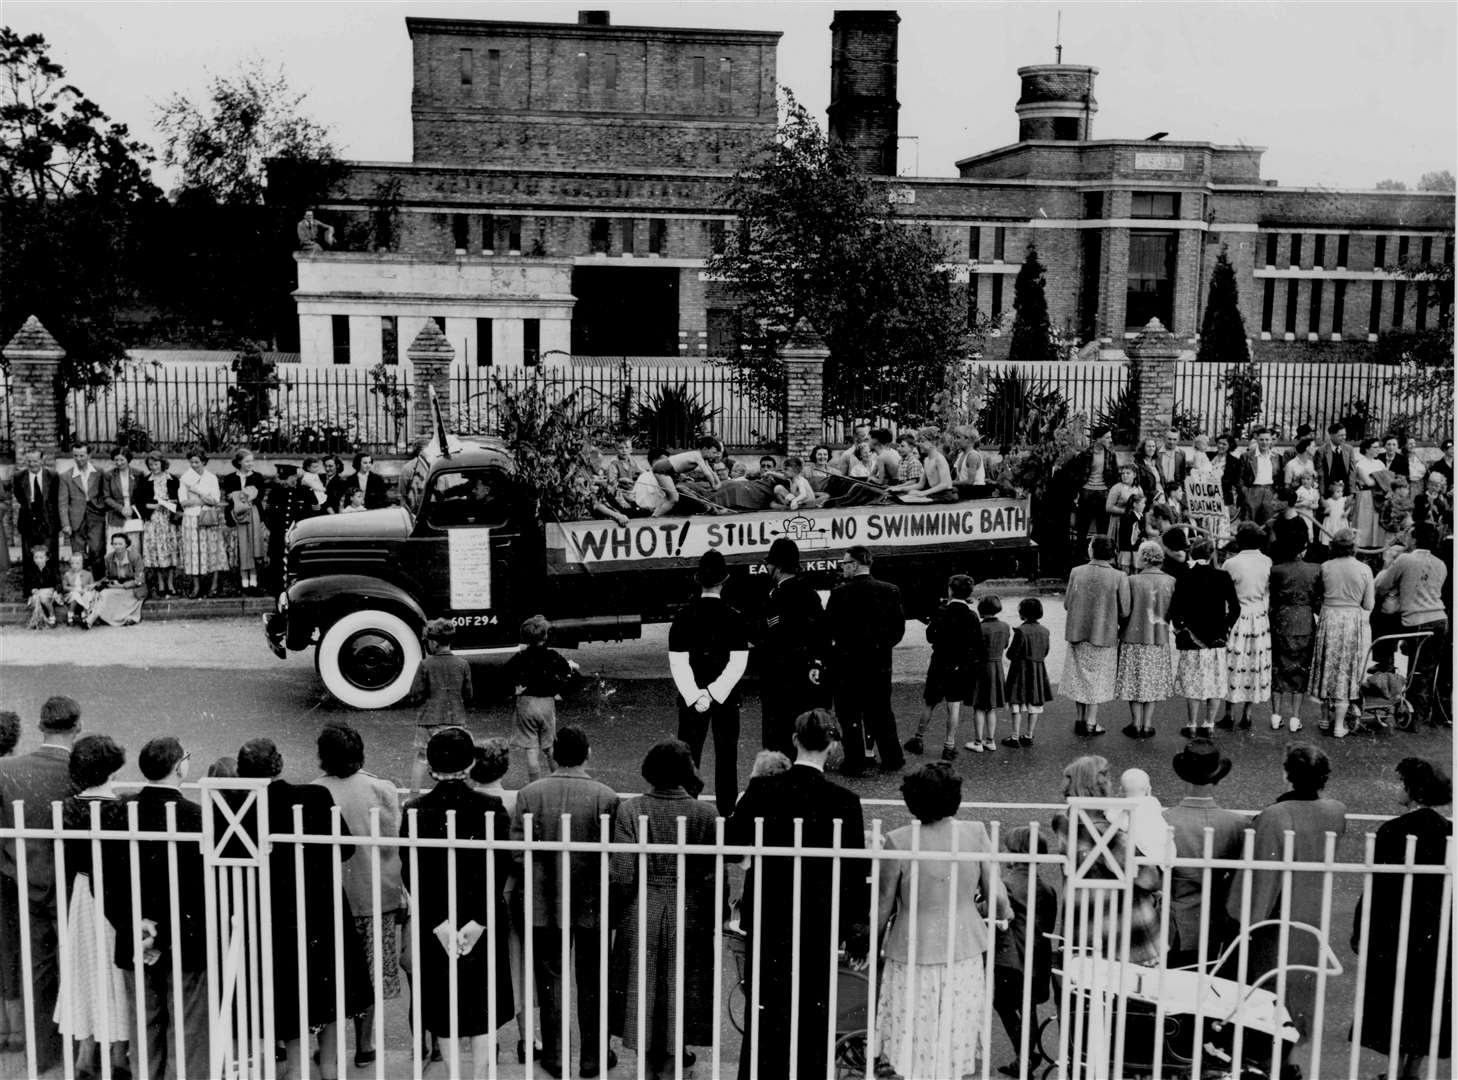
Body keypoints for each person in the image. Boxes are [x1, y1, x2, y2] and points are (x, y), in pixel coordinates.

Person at [727, 709, 868, 1080]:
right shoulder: (845, 801)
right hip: (819, 921)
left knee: (766, 1010)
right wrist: (857, 926)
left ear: (795, 740)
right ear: (833, 745)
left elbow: (732, 844)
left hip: (769, 916)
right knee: (813, 1012)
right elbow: (855, 873)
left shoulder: (763, 790)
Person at [238, 737, 369, 1080]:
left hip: (274, 914)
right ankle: (328, 1066)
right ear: (279, 764)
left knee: (289, 992)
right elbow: (344, 849)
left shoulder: (240, 808)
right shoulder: (314, 796)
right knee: (329, 991)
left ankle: (296, 1069)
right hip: (320, 907)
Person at [873, 762, 1007, 1080]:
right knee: (954, 1031)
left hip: (912, 947)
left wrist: (870, 945)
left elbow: (883, 903)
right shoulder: (975, 833)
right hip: (963, 944)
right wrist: (1002, 915)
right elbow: (997, 898)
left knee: (913, 1034)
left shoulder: (898, 840)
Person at [402, 727, 515, 1079]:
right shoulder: (490, 808)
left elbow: (412, 872)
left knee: (444, 1003)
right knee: (481, 1005)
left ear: (432, 767)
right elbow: (500, 867)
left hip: (438, 923)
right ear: (469, 765)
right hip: (480, 920)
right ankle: (480, 1075)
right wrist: (478, 922)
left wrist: (440, 924)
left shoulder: (414, 810)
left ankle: (453, 1073)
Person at [1228, 743, 1346, 1078]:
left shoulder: (1274, 816)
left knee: (1265, 987)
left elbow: (1260, 873)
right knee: (1301, 987)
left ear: (1287, 774)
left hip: (1276, 913)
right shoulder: (1336, 810)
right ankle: (1288, 1056)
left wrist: (1243, 917)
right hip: (1312, 910)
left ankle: (1265, 1061)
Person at [510, 726, 620, 1080]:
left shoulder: (529, 793)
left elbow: (516, 853)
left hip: (544, 902)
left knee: (550, 981)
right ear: (588, 754)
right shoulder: (606, 796)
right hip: (592, 903)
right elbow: (615, 858)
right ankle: (593, 1056)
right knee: (593, 981)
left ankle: (556, 1056)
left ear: (553, 754)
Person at [101, 736, 211, 1080]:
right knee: (189, 1030)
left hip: (134, 939)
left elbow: (104, 884)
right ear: (180, 766)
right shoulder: (197, 816)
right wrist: (163, 934)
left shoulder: (119, 811)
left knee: (143, 1026)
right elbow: (201, 892)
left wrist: (136, 926)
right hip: (186, 942)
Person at [608, 740, 718, 1077]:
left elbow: (623, 874)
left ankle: (646, 1060)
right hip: (689, 905)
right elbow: (713, 875)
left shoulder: (631, 809)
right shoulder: (705, 813)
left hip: (642, 903)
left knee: (643, 985)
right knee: (681, 985)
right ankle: (674, 1058)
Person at [1350, 758, 1453, 1079]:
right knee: (1425, 1004)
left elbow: (1378, 889)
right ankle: (1414, 1071)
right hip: (1436, 932)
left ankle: (1395, 1072)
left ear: (1413, 790)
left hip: (1397, 931)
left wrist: (1361, 931)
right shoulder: (1448, 831)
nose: (1396, 788)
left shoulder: (1393, 831)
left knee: (1397, 1003)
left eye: (1400, 783)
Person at [312, 722, 404, 1071]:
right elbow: (393, 843)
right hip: (375, 892)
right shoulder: (381, 789)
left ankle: (330, 1048)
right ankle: (365, 1045)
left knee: (329, 974)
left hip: (331, 898)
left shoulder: (313, 791)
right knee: (370, 975)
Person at [54, 734, 131, 1080]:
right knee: (114, 972)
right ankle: (119, 1054)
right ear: (112, 770)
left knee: (84, 968)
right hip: (116, 894)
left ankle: (85, 1053)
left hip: (83, 892)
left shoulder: (68, 807)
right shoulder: (121, 808)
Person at [1054, 756, 1162, 966]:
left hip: (1084, 925)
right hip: (1125, 935)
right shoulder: (1108, 834)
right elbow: (1149, 877)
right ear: (1098, 787)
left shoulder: (1063, 820)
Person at [668, 550, 750, 815]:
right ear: (723, 581)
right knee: (727, 756)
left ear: (697, 580)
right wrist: (715, 693)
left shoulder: (682, 616)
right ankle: (726, 810)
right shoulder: (735, 616)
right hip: (725, 698)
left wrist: (696, 696)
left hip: (692, 697)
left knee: (688, 756)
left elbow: (678, 662)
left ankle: (687, 808)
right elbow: (738, 663)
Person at [1163, 739, 1244, 969]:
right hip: (1219, 922)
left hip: (1175, 924)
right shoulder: (1237, 824)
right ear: (1217, 779)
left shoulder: (1166, 820)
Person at [826, 545, 907, 775]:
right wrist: (881, 647)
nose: (842, 568)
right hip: (879, 663)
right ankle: (892, 758)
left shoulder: (839, 593)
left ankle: (855, 761)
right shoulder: (890, 590)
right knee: (882, 712)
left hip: (848, 664)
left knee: (849, 714)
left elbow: (830, 629)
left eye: (844, 563)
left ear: (854, 564)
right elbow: (898, 629)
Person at [993, 823, 1059, 1079]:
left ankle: (1024, 1055)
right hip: (1036, 957)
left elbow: (996, 914)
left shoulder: (1006, 884)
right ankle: (1025, 1056)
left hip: (1011, 956)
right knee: (1027, 1006)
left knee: (1002, 1003)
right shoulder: (1048, 889)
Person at [757, 538, 830, 760]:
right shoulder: (810, 593)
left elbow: (770, 636)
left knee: (776, 737)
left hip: (779, 675)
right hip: (804, 674)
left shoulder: (776, 596)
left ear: (777, 567)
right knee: (801, 732)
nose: (767, 568)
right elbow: (822, 634)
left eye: (769, 564)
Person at [1168, 537, 1241, 737]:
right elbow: (1235, 608)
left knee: (1193, 682)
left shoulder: (1184, 575)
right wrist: (1226, 626)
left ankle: (1191, 724)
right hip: (1216, 637)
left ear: (1192, 554)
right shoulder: (1223, 576)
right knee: (1215, 682)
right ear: (1210, 555)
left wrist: (1179, 628)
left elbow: (1175, 608)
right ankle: (1208, 724)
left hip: (1192, 637)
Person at [1378, 523, 1450, 725]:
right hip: (1439, 618)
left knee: (1416, 669)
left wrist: (1386, 566)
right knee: (1427, 669)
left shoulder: (1405, 559)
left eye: (1410, 535)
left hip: (1415, 619)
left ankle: (1412, 718)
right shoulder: (1440, 563)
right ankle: (1421, 714)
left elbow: (1383, 586)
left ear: (1415, 539)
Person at [1062, 536, 1130, 737]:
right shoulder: (1119, 576)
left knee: (1080, 676)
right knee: (1097, 679)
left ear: (1092, 550)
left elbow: (1067, 604)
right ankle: (1092, 722)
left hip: (1078, 632)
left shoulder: (1077, 572)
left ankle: (1080, 719)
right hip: (1104, 633)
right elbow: (1125, 610)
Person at [906, 573, 977, 761]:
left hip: (939, 662)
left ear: (950, 591)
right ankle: (949, 745)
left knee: (930, 702)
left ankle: (918, 738)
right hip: (959, 666)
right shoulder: (971, 616)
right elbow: (975, 643)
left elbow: (930, 636)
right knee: (953, 707)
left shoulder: (940, 611)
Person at [1311, 529, 1375, 737]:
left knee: (1326, 666)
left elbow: (1316, 595)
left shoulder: (1325, 567)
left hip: (1329, 617)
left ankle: (1323, 718)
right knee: (1345, 671)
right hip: (1350, 620)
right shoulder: (1365, 569)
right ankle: (1339, 725)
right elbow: (1368, 604)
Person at [502, 614, 576, 784]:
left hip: (526, 704)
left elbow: (504, 674)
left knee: (531, 750)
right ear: (546, 636)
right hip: (546, 704)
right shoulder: (553, 656)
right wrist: (559, 691)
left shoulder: (520, 657)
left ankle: (534, 784)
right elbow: (568, 673)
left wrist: (514, 690)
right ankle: (559, 781)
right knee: (550, 747)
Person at [1115, 541, 1176, 738]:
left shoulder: (1131, 580)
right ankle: (1148, 724)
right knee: (1152, 682)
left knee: (1133, 682)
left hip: (1133, 637)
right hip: (1158, 638)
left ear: (1143, 557)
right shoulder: (1171, 581)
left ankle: (1135, 723)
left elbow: (1123, 611)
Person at [409, 618, 474, 794]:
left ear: (434, 642)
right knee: (457, 758)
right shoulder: (462, 665)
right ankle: (462, 794)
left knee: (421, 758)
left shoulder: (425, 664)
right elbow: (468, 694)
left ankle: (413, 795)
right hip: (455, 718)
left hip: (429, 718)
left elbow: (415, 694)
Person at [1219, 523, 1273, 730]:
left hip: (1237, 616)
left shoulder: (1231, 563)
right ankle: (1248, 713)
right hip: (1259, 615)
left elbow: (1224, 593)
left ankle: (1229, 713)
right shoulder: (1267, 561)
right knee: (1254, 663)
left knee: (1233, 662)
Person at [1268, 535, 1323, 733]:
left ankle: (1276, 715)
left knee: (1278, 666)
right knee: (1300, 669)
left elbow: (1272, 597)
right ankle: (1295, 717)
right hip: (1305, 620)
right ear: (1303, 550)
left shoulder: (1276, 570)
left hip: (1281, 620)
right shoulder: (1315, 570)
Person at [178, 449, 229, 598]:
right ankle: (196, 586)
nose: (194, 465)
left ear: (204, 462)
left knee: (212, 550)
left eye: (197, 462)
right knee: (193, 553)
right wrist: (201, 500)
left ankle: (213, 585)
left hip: (208, 517)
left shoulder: (211, 478)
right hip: (191, 518)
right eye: (192, 462)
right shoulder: (185, 478)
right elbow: (183, 502)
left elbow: (215, 500)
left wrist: (196, 491)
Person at [1005, 596, 1054, 748]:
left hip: (1020, 670)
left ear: (1022, 613)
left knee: (1017, 703)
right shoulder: (1045, 631)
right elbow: (1045, 651)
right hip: (1037, 670)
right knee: (1034, 703)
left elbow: (1011, 654)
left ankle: (1014, 737)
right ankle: (1029, 735)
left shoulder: (1020, 631)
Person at [221, 449, 269, 594]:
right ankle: (243, 578)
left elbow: (259, 494)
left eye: (252, 461)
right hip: (237, 515)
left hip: (253, 514)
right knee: (241, 545)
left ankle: (254, 578)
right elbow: (228, 497)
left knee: (253, 543)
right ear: (239, 462)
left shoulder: (257, 477)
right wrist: (240, 496)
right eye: (247, 461)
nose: (250, 464)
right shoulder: (230, 478)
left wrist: (244, 496)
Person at [966, 594, 1010, 753]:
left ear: (981, 610)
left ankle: (978, 742)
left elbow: (971, 649)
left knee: (978, 706)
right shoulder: (1005, 626)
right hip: (997, 667)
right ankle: (990, 740)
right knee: (991, 707)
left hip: (980, 668)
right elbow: (1005, 645)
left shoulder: (979, 627)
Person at [137, 452, 180, 597]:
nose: (154, 467)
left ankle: (171, 583)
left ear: (162, 463)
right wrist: (154, 506)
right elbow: (140, 502)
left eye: (156, 464)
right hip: (153, 520)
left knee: (170, 551)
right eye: (150, 465)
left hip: (168, 520)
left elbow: (179, 499)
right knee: (156, 552)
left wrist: (171, 504)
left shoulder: (172, 479)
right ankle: (161, 583)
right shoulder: (145, 481)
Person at [1069, 427, 1122, 542]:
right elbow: (1076, 474)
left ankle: (1101, 552)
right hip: (1087, 492)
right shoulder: (1085, 454)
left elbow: (1115, 475)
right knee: (1083, 526)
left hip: (1103, 493)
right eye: (1107, 437)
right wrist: (1078, 492)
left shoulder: (1110, 455)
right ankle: (1081, 554)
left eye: (1110, 437)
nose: (1110, 440)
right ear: (1098, 439)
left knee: (1103, 526)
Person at [11, 448, 61, 567]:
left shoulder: (52, 476)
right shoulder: (19, 476)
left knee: (50, 553)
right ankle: (31, 584)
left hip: (48, 519)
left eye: (35, 461)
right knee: (29, 554)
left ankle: (51, 583)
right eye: (29, 461)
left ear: (42, 460)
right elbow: (19, 496)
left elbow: (55, 499)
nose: (32, 464)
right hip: (28, 519)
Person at [88, 532, 146, 627]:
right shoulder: (109, 558)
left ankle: (92, 619)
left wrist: (122, 586)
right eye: (115, 544)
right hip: (117, 587)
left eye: (120, 544)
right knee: (103, 594)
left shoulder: (135, 557)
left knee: (110, 595)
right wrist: (96, 584)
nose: (117, 547)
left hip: (133, 588)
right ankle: (91, 619)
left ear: (126, 544)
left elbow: (140, 580)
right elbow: (108, 576)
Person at [894, 431, 956, 503]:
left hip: (946, 495)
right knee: (901, 499)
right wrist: (900, 489)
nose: (919, 444)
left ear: (933, 442)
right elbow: (920, 484)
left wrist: (923, 493)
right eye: (919, 441)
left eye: (923, 441)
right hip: (934, 493)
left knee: (909, 502)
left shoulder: (939, 459)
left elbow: (944, 484)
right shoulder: (926, 460)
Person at [1239, 428, 1284, 524]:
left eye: (1267, 440)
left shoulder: (1277, 457)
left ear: (1271, 440)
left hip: (1270, 492)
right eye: (1261, 440)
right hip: (1252, 491)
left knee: (1269, 524)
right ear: (1257, 440)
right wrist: (1245, 492)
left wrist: (1276, 493)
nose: (1264, 443)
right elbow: (1239, 477)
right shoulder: (1246, 456)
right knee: (1249, 524)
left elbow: (1280, 478)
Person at [1353, 436, 1390, 549]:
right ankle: (1363, 550)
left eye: (1378, 447)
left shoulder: (1380, 463)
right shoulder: (1360, 464)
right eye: (1375, 447)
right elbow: (1368, 482)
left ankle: (1376, 550)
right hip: (1366, 496)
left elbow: (1388, 479)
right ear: (1367, 449)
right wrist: (1381, 479)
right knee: (1365, 524)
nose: (1378, 450)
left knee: (1378, 523)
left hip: (1379, 497)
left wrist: (1381, 479)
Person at [633, 447, 681, 517]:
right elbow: (673, 499)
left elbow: (634, 497)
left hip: (640, 511)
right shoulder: (662, 475)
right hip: (655, 513)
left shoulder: (643, 475)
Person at [1315, 421, 1357, 496]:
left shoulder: (1349, 449)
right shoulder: (1321, 451)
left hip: (1345, 492)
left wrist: (1352, 493)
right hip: (1328, 492)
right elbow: (1320, 475)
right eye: (1340, 435)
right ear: (1331, 435)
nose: (1344, 437)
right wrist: (1321, 495)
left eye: (1345, 435)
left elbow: (1352, 472)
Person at [23, 543, 60, 629]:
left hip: (49, 592)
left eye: (41, 557)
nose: (38, 560)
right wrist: (32, 589)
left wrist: (55, 590)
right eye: (36, 557)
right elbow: (27, 584)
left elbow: (58, 583)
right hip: (37, 592)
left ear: (46, 558)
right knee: (35, 599)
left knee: (43, 597)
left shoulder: (52, 569)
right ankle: (38, 619)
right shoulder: (31, 571)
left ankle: (52, 615)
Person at [61, 549, 96, 627]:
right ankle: (70, 614)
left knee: (88, 594)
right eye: (72, 563)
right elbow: (65, 587)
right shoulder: (67, 574)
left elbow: (92, 585)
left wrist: (87, 589)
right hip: (71, 594)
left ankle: (85, 613)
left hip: (84, 592)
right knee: (75, 594)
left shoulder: (88, 574)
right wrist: (74, 589)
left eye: (77, 563)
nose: (74, 566)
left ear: (83, 564)